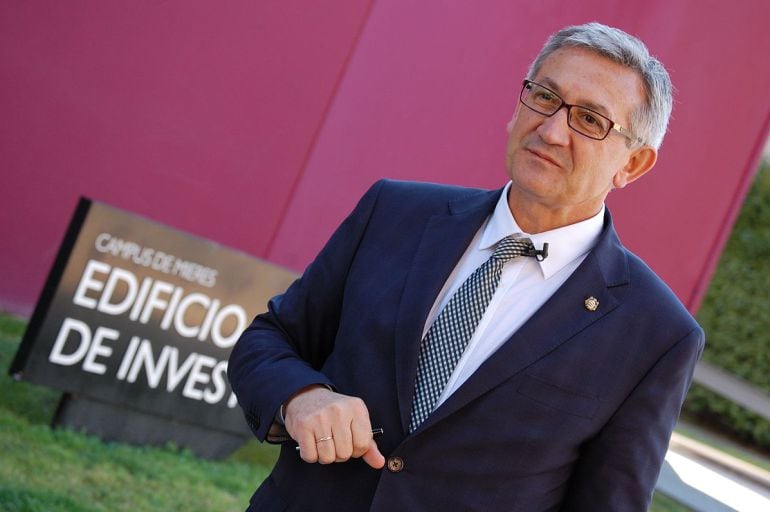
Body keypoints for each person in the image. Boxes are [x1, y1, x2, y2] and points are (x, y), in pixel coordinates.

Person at [228, 22, 704, 511]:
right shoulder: (393, 213)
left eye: (589, 119)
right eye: (543, 96)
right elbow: (268, 340)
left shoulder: (656, 335)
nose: (552, 130)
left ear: (634, 164)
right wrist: (301, 396)